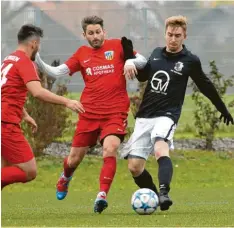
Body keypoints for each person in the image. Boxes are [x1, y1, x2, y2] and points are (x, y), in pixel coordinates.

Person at [35, 15, 147, 213]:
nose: (95, 36)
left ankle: (102, 195)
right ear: (84, 35)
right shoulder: (82, 53)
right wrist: (36, 58)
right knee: (73, 160)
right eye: (91, 33)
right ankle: (65, 177)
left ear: (104, 31)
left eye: (98, 32)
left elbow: (142, 60)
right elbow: (56, 72)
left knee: (110, 149)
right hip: (89, 113)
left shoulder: (117, 45)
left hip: (115, 112)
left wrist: (130, 62)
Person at [121, 15, 234, 211]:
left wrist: (222, 108)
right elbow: (143, 76)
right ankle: (156, 197)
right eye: (170, 35)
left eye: (177, 35)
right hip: (145, 115)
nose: (173, 39)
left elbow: (205, 86)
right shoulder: (156, 53)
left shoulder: (190, 60)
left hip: (167, 114)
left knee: (159, 148)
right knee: (134, 167)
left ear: (184, 36)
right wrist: (129, 55)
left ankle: (164, 192)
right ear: (165, 34)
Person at [1, 24, 84, 190]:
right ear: (33, 43)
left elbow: (5, 92)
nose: (39, 48)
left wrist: (24, 114)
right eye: (39, 44)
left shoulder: (8, 59)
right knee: (29, 171)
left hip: (5, 118)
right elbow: (38, 92)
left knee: (5, 167)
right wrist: (67, 102)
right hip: (6, 123)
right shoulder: (24, 62)